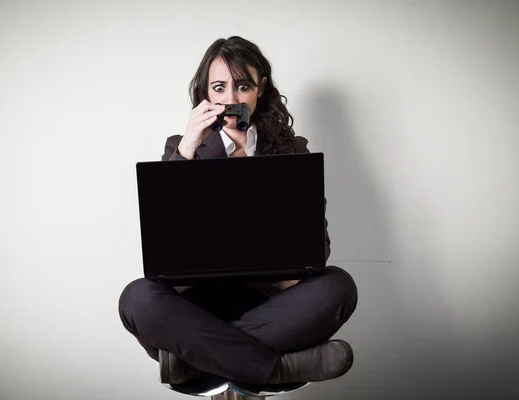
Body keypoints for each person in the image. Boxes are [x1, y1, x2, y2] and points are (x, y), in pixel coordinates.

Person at [118, 36, 358, 386]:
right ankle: (280, 367)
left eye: (242, 86)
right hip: (199, 305)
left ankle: (192, 361)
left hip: (271, 304)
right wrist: (189, 146)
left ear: (260, 88)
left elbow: (318, 249)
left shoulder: (293, 151)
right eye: (219, 87)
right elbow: (165, 251)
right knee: (137, 298)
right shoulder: (182, 149)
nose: (230, 99)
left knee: (338, 286)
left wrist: (288, 273)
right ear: (206, 93)